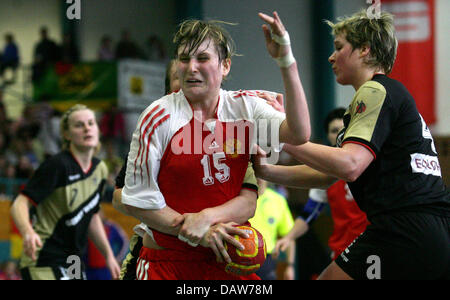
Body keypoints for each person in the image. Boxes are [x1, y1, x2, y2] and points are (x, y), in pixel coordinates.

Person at [254, 10, 450, 280]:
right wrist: (267, 171)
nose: (331, 56)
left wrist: (278, 131)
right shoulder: (383, 97)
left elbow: (350, 165)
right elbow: (327, 174)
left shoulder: (374, 90)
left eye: (338, 47)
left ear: (365, 50)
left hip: (404, 228)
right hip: (424, 229)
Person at [119, 11, 311, 280]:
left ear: (225, 66)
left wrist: (286, 61)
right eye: (184, 59)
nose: (191, 67)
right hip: (169, 262)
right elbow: (137, 202)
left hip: (227, 261)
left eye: (203, 58)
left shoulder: (245, 107)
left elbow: (299, 133)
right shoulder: (157, 116)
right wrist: (198, 232)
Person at [10, 104, 121, 280]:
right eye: (79, 125)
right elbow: (20, 203)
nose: (87, 128)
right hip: (44, 256)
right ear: (67, 135)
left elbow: (91, 215)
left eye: (91, 123)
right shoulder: (57, 165)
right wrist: (27, 232)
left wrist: (108, 255)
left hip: (73, 260)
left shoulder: (100, 169)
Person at [273, 108, 369, 262]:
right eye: (334, 130)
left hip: (372, 251)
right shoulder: (324, 172)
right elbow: (309, 214)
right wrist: (288, 237)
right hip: (341, 253)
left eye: (344, 129)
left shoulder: (368, 162)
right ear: (328, 136)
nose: (340, 134)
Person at [249, 179, 295, 280]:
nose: (258, 178)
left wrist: (290, 266)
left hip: (266, 260)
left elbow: (289, 236)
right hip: (239, 258)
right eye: (255, 172)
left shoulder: (278, 200)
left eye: (261, 174)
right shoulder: (239, 198)